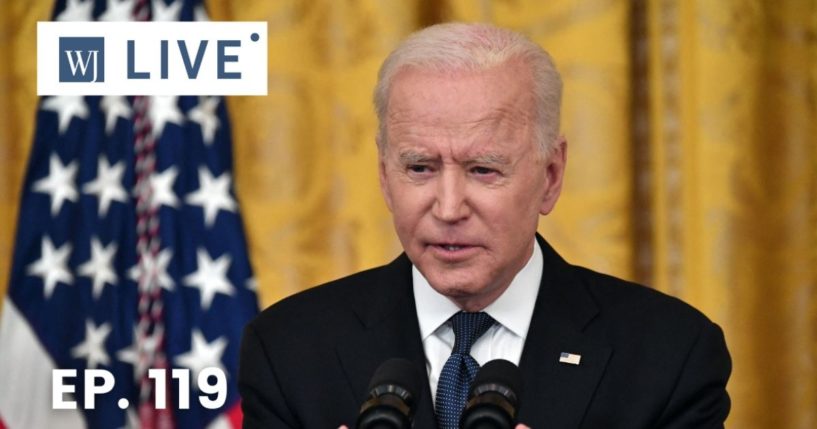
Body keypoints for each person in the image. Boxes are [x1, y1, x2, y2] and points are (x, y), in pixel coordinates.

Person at [238, 22, 731, 429]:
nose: (449, 207)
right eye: (420, 168)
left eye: (484, 170)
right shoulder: (290, 351)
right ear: (385, 178)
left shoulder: (669, 356)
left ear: (551, 177)